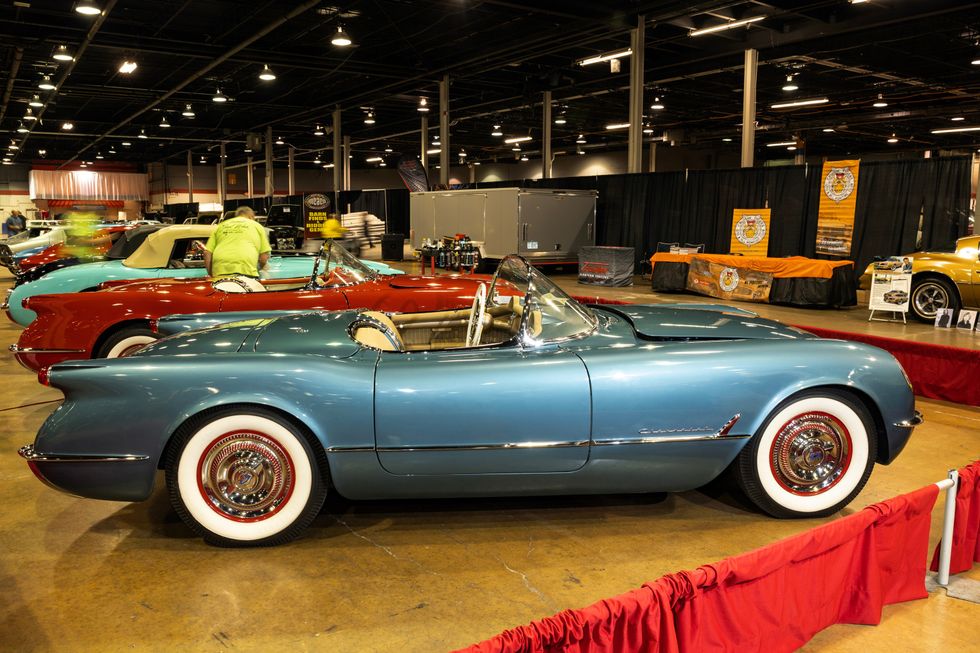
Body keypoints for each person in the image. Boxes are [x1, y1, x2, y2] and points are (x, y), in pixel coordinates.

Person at [203, 206, 271, 278]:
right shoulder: (257, 226)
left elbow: (207, 253)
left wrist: (211, 274)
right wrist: (261, 269)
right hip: (246, 269)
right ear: (251, 216)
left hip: (220, 270)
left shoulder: (220, 226)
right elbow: (263, 257)